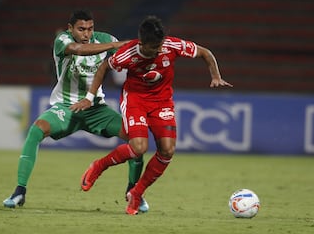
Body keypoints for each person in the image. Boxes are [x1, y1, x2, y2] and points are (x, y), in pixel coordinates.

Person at [70, 15, 233, 215]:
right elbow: (104, 67)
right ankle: (99, 166)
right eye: (153, 47)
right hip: (136, 101)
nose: (157, 50)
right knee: (138, 148)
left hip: (162, 102)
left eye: (159, 45)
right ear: (142, 43)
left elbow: (205, 53)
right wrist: (89, 97)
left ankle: (137, 193)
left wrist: (215, 76)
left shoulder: (171, 45)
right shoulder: (127, 54)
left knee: (167, 150)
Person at [3, 10, 149, 212]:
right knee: (36, 130)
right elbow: (78, 49)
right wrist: (115, 46)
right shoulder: (62, 40)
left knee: (137, 140)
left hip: (96, 109)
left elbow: (129, 56)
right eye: (81, 29)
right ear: (70, 28)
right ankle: (19, 191)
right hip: (67, 107)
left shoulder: (104, 39)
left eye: (90, 29)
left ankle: (134, 192)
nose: (86, 34)